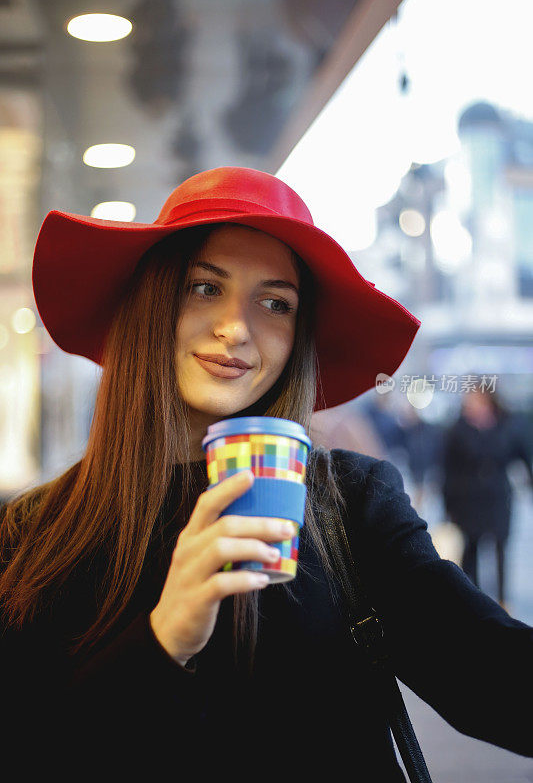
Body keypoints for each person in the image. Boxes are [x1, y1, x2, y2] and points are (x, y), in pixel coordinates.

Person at [1, 168, 532, 780]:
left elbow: (493, 677)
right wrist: (163, 640)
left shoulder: (351, 505)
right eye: (204, 288)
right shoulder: (37, 531)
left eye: (275, 303)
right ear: (153, 301)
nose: (237, 328)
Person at [441, 386, 533, 611]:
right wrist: (448, 504)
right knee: (470, 551)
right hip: (467, 500)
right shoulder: (457, 428)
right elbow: (448, 469)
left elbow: (523, 456)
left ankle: (503, 600)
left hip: (497, 497)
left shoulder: (507, 424)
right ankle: (475, 599)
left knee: (501, 548)